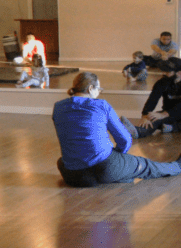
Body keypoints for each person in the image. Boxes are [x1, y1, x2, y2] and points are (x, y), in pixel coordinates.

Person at [52, 72, 181, 187]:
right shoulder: (101, 105)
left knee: (61, 161)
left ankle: (120, 176)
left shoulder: (58, 107)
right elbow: (125, 139)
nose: (99, 92)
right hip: (105, 166)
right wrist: (119, 155)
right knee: (144, 165)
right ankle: (177, 167)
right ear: (91, 88)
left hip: (73, 176)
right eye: (99, 89)